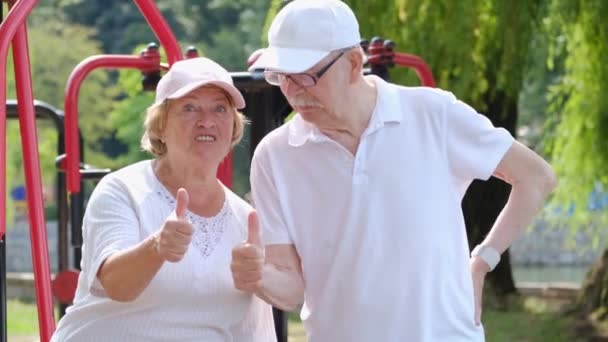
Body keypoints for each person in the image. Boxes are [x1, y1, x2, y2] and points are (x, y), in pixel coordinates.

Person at [230, 1, 557, 341]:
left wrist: (483, 261)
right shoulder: (275, 156)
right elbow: (290, 288)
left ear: (354, 63)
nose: (292, 92)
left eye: (305, 75)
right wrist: (257, 277)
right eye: (282, 77)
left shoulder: (433, 114)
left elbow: (535, 177)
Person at [52, 57, 276, 341]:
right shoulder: (123, 191)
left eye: (220, 108)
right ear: (159, 126)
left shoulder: (247, 220)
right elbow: (118, 286)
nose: (206, 121)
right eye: (189, 108)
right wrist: (157, 248)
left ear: (233, 127)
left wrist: (260, 276)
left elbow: (253, 333)